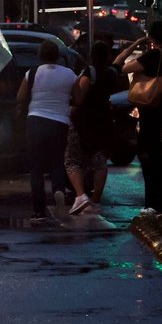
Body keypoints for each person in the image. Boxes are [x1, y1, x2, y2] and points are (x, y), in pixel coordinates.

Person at [16, 40, 76, 223]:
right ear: (57, 56)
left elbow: (20, 97)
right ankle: (58, 189)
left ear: (40, 55)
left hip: (35, 121)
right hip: (59, 122)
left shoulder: (32, 73)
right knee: (57, 162)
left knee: (36, 168)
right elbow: (79, 97)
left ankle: (38, 211)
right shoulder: (69, 74)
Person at [65, 41, 124, 215]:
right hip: (104, 120)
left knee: (73, 159)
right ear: (107, 57)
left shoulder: (89, 72)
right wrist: (136, 44)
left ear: (91, 55)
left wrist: (71, 109)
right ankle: (96, 200)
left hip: (85, 121)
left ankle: (81, 195)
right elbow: (120, 60)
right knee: (99, 161)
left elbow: (80, 98)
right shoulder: (112, 73)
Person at [119, 22, 162, 215]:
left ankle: (152, 204)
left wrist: (135, 45)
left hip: (151, 116)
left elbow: (123, 67)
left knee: (149, 161)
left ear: (152, 38)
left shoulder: (152, 57)